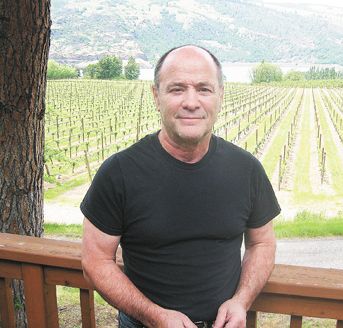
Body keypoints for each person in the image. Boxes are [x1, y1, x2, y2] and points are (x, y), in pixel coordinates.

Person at [81, 45, 280, 328]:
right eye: (176, 89)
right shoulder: (119, 173)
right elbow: (95, 261)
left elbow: (262, 243)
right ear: (156, 96)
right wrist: (155, 316)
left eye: (204, 89)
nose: (191, 101)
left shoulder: (246, 169)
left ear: (220, 95)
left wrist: (241, 301)